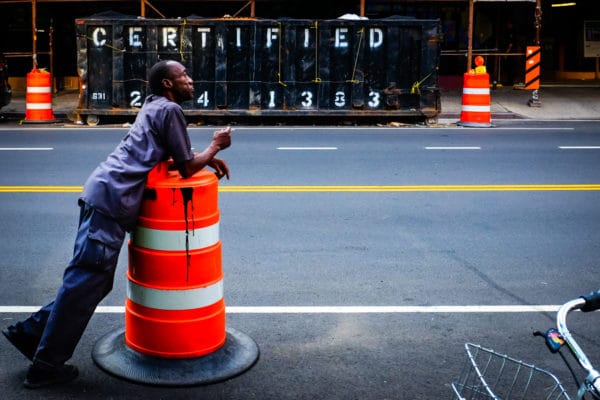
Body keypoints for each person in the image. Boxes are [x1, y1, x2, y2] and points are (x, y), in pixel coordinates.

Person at [2, 60, 232, 389]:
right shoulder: (170, 111)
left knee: (88, 281)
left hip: (103, 194)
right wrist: (215, 146)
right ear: (168, 84)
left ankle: (29, 333)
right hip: (111, 201)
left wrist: (206, 157)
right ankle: (45, 366)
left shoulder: (154, 106)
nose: (191, 81)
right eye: (184, 76)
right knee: (87, 282)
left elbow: (160, 151)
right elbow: (184, 167)